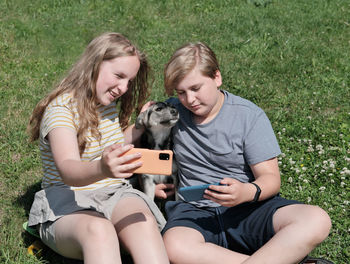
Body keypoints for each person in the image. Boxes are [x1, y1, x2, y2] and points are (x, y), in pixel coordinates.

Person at [161, 42, 333, 264]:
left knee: (316, 219)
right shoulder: (173, 112)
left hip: (248, 208)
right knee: (173, 245)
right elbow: (131, 139)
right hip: (195, 212)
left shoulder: (248, 116)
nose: (190, 100)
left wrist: (246, 192)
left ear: (216, 77)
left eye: (196, 89)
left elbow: (271, 179)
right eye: (181, 92)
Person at [27, 32, 169, 264]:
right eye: (119, 76)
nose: (123, 88)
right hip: (67, 204)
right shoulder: (61, 111)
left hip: (114, 193)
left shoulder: (105, 104)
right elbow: (68, 169)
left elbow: (109, 147)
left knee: (142, 221)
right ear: (94, 64)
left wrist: (142, 125)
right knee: (99, 231)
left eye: (129, 81)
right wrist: (103, 168)